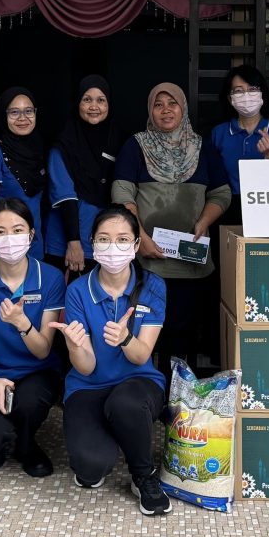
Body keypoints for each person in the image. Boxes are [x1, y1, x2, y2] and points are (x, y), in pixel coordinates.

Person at [51, 205, 172, 516]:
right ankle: (114, 431)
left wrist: (126, 338)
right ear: (92, 243)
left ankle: (143, 476)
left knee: (125, 405)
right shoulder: (78, 291)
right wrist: (75, 346)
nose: (112, 247)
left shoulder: (153, 286)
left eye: (122, 239)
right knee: (90, 470)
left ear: (135, 245)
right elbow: (86, 366)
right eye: (104, 239)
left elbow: (141, 355)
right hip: (88, 385)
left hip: (137, 383)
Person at [112, 83, 231, 378]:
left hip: (190, 261)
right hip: (147, 259)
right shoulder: (136, 145)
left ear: (183, 108)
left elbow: (221, 193)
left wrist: (204, 221)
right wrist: (140, 237)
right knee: (144, 327)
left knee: (183, 331)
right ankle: (147, 387)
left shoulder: (202, 147)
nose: (166, 110)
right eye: (158, 104)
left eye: (172, 103)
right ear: (150, 111)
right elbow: (122, 192)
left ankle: (177, 392)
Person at [0, 198, 65, 476]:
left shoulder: (50, 278)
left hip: (36, 372)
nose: (9, 239)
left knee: (28, 404)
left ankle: (26, 445)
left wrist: (22, 323)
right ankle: (4, 436)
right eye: (0, 231)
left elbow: (43, 350)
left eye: (17, 230)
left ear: (31, 234)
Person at [45, 76, 123, 276]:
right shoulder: (63, 146)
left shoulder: (118, 141)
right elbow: (65, 196)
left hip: (104, 242)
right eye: (87, 99)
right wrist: (73, 242)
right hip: (67, 244)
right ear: (77, 103)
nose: (94, 106)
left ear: (109, 104)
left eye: (101, 100)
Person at [210, 64, 269, 224]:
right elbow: (214, 181)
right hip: (228, 210)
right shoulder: (219, 132)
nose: (246, 95)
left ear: (262, 93)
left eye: (252, 89)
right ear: (230, 98)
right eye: (239, 90)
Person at [0, 87, 47, 261]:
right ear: (3, 115)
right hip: (1, 250)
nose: (23, 118)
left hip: (32, 247)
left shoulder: (38, 149)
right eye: (14, 112)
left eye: (28, 111)